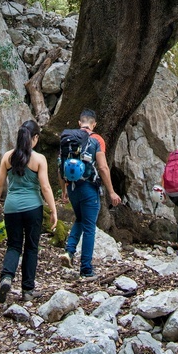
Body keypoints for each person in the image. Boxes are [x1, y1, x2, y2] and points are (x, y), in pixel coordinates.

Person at [0, 119, 57, 303]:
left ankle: (6, 278)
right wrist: (53, 210)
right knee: (31, 248)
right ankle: (27, 290)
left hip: (11, 208)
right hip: (33, 208)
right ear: (34, 138)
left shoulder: (8, 157)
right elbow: (46, 187)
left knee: (13, 246)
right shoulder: (39, 159)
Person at [59, 109, 121, 279]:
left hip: (72, 187)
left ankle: (69, 252)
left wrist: (64, 190)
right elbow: (102, 167)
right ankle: (86, 269)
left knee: (80, 219)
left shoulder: (68, 139)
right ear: (94, 124)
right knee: (89, 228)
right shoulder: (96, 139)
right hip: (89, 188)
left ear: (80, 123)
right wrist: (112, 192)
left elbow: (61, 165)